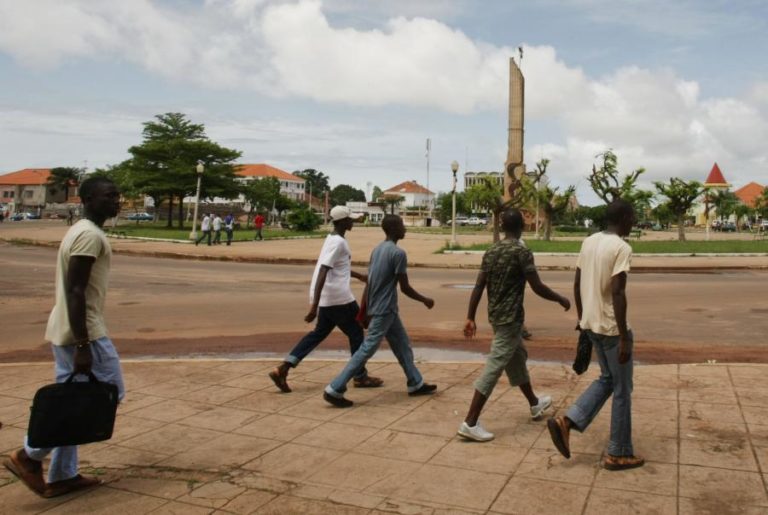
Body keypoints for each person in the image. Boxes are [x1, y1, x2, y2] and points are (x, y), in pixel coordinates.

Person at [2, 176, 125, 498]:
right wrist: (83, 344)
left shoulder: (85, 231)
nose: (117, 201)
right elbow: (75, 290)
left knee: (76, 400)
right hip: (83, 331)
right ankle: (29, 455)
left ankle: (62, 475)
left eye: (117, 196)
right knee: (109, 393)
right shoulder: (87, 235)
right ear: (86, 199)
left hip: (73, 328)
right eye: (109, 196)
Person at [546, 199, 644, 471]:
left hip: (591, 325)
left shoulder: (589, 242)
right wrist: (624, 337)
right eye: (633, 216)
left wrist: (582, 318)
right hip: (612, 329)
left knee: (607, 379)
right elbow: (618, 292)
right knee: (623, 388)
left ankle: (567, 422)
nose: (634, 221)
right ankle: (619, 453)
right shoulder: (622, 248)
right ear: (624, 217)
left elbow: (577, 282)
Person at [458, 209, 570, 442]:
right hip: (510, 320)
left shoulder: (491, 251)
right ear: (521, 226)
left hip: (498, 317)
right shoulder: (521, 251)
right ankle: (470, 421)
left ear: (502, 227)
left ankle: (534, 404)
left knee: (516, 359)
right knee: (495, 366)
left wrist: (470, 316)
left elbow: (479, 286)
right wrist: (560, 298)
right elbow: (537, 286)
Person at [323, 214, 437, 407]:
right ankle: (335, 388)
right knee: (366, 349)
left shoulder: (377, 250)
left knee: (402, 345)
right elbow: (405, 287)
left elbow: (371, 281)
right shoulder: (398, 253)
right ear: (394, 229)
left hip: (385, 309)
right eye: (402, 225)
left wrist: (366, 308)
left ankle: (415, 383)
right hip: (384, 310)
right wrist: (425, 300)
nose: (405, 229)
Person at [269, 206, 382, 393]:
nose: (352, 222)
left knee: (318, 333)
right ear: (341, 222)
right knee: (356, 334)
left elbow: (337, 267)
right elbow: (323, 270)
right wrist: (314, 306)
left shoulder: (332, 239)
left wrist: (359, 276)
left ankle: (283, 368)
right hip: (339, 298)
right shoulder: (338, 243)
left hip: (329, 298)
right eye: (350, 219)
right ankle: (360, 375)